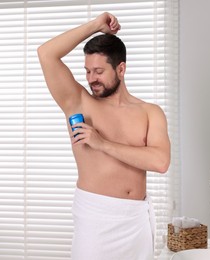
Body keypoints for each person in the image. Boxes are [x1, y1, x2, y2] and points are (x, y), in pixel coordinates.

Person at [37, 12, 171, 260]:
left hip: (136, 222)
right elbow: (46, 53)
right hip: (95, 220)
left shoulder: (150, 112)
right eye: (87, 71)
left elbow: (160, 162)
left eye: (98, 71)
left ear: (121, 69)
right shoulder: (78, 102)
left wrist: (103, 144)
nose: (91, 79)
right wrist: (96, 25)